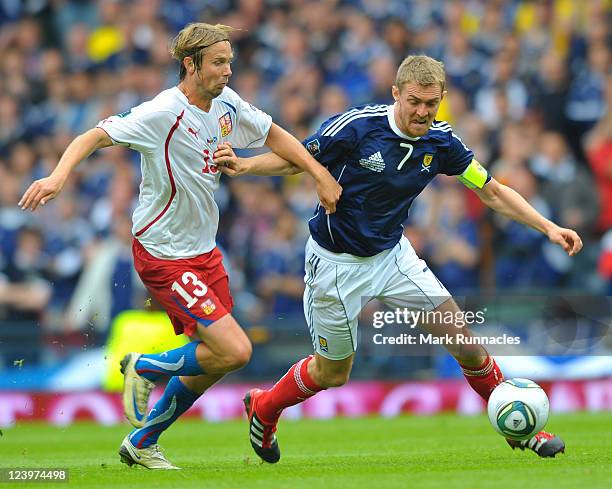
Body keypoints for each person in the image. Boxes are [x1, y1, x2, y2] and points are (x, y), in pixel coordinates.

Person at [214, 55, 583, 463]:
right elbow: (299, 158)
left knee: (467, 345)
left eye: (431, 103)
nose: (423, 112)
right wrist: (246, 164)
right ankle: (265, 408)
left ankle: (519, 431)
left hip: (393, 256)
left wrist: (548, 227)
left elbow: (491, 190)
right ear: (396, 94)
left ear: (441, 99)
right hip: (336, 265)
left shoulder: (442, 142)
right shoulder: (357, 127)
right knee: (331, 373)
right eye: (415, 102)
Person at [18, 22, 342, 470]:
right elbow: (91, 135)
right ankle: (145, 367)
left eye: (230, 61)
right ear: (190, 65)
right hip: (163, 251)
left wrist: (316, 173)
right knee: (238, 351)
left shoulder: (226, 103)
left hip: (203, 251)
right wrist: (56, 177)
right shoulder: (162, 112)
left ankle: (143, 440)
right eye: (219, 62)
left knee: (214, 361)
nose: (228, 70)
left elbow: (277, 135)